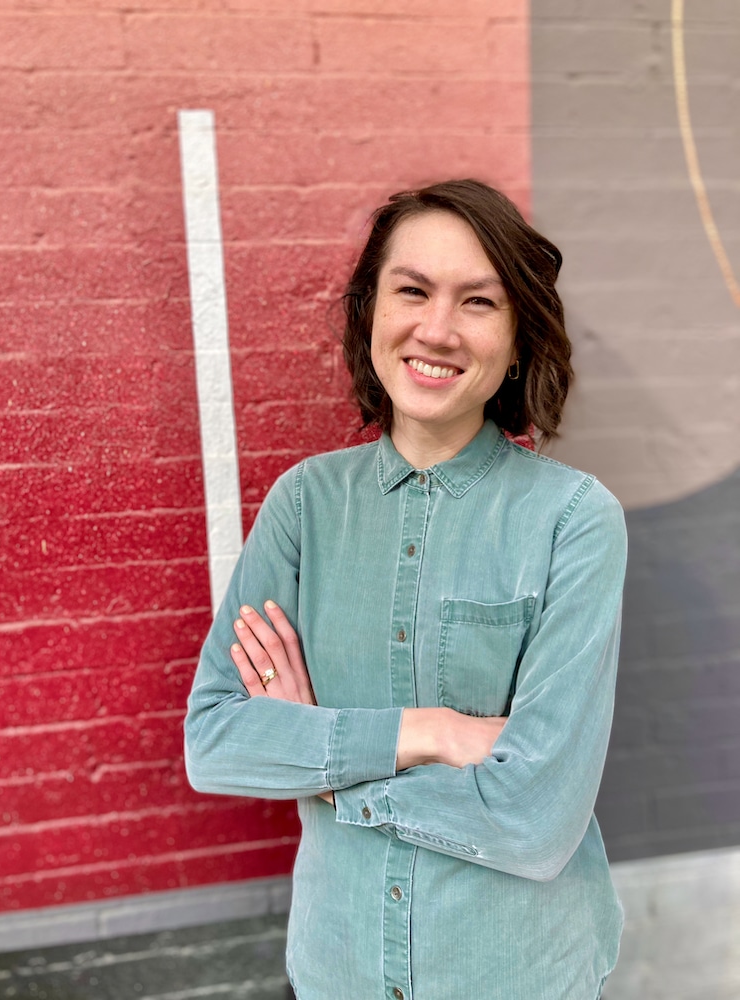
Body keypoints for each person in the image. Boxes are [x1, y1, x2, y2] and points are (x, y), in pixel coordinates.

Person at [184, 179, 627, 1000]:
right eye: (412, 291)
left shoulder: (575, 522)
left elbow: (536, 819)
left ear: (519, 336)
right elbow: (214, 744)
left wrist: (320, 760)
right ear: (370, 314)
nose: (437, 329)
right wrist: (433, 731)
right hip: (339, 967)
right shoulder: (304, 506)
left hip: (514, 973)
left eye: (478, 302)